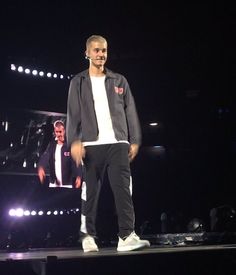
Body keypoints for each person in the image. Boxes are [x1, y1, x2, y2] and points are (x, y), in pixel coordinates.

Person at [66, 35, 150, 252]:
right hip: (91, 145)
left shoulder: (119, 80)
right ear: (87, 53)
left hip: (118, 143)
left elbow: (130, 110)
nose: (101, 54)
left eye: (104, 50)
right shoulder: (78, 81)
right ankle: (88, 237)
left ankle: (127, 236)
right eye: (96, 50)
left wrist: (134, 140)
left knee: (124, 190)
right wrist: (74, 141)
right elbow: (73, 114)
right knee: (89, 193)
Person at [38, 120, 82, 188]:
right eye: (56, 132)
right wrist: (41, 167)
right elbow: (45, 157)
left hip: (67, 184)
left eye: (60, 132)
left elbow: (76, 162)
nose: (58, 134)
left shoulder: (70, 146)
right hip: (53, 183)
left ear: (64, 131)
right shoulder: (52, 145)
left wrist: (79, 176)